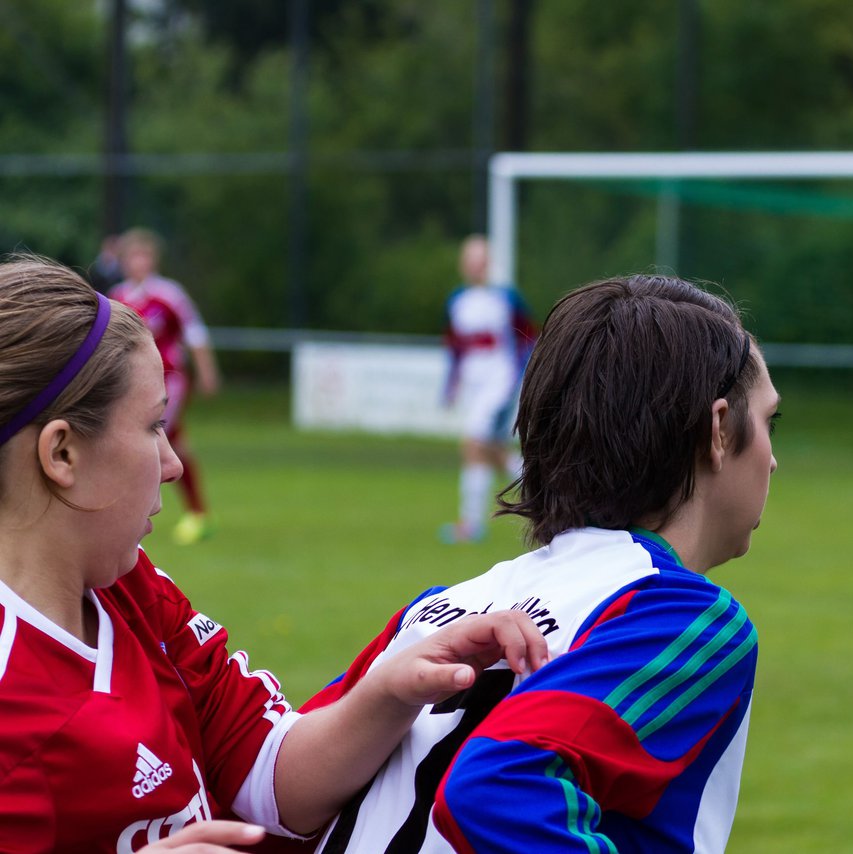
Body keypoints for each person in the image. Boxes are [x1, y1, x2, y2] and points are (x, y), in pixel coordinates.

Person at [0, 255, 549, 853]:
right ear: (62, 455)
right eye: (154, 426)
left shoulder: (132, 590)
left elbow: (266, 771)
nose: (173, 463)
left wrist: (390, 691)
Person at [302, 274, 779, 852]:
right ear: (719, 431)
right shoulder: (678, 615)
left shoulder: (432, 614)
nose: (773, 461)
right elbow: (498, 787)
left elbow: (278, 780)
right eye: (769, 423)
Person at [108, 228, 220, 545]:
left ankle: (182, 514)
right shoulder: (119, 297)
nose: (138, 262)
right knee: (171, 441)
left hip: (169, 380)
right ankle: (198, 513)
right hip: (131, 383)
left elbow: (195, 334)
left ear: (153, 259)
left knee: (155, 437)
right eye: (133, 256)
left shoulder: (169, 294)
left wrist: (207, 371)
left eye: (144, 255)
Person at [439, 234, 538, 544]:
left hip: (500, 381)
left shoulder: (506, 297)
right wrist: (451, 384)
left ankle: (471, 524)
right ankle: (543, 494)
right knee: (490, 450)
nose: (475, 266)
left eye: (480, 260)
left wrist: (519, 377)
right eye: (470, 260)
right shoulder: (457, 300)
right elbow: (456, 346)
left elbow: (529, 336)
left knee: (472, 444)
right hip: (474, 383)